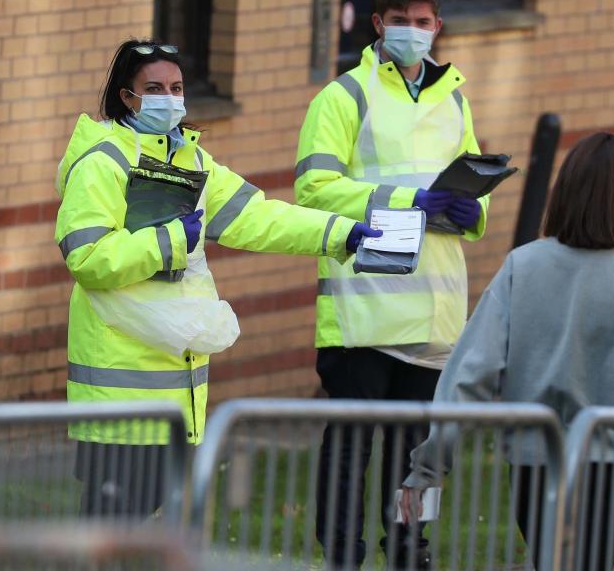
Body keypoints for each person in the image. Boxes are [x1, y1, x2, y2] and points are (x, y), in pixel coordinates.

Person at [54, 39, 380, 518]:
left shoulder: (192, 162)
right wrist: (168, 240)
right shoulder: (103, 161)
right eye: (155, 89)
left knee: (138, 522)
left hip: (175, 382)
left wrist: (342, 233)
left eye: (177, 87)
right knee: (110, 530)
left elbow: (259, 217)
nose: (170, 97)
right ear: (127, 97)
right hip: (119, 393)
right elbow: (86, 256)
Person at [399, 132, 614, 570]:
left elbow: (468, 376)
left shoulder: (522, 265)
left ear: (564, 192)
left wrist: (428, 466)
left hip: (535, 461)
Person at [294, 0, 490, 569]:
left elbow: (477, 187)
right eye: (399, 20)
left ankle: (409, 549)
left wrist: (469, 208)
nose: (412, 31)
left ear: (438, 27)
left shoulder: (454, 97)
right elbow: (314, 188)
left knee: (420, 455)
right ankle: (344, 557)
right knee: (351, 449)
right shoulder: (343, 96)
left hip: (434, 316)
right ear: (377, 25)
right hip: (364, 308)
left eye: (423, 21)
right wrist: (410, 203)